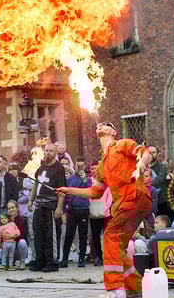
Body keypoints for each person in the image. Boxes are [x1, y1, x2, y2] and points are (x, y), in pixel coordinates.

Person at [57, 122, 153, 298]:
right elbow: (95, 192)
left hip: (134, 196)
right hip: (128, 203)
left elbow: (144, 152)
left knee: (110, 236)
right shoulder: (102, 165)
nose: (101, 126)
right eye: (99, 125)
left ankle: (116, 289)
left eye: (106, 125)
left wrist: (141, 165)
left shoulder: (122, 144)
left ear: (113, 132)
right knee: (118, 247)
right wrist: (69, 190)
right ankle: (137, 288)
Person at [30, 142, 66, 273]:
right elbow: (36, 184)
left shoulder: (59, 168)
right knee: (38, 233)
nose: (48, 153)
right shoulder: (41, 167)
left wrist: (59, 208)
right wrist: (31, 201)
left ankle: (52, 262)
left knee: (51, 235)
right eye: (46, 150)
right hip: (39, 205)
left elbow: (62, 190)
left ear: (55, 153)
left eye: (51, 151)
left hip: (51, 206)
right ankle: (40, 261)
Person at [63, 158, 91, 268]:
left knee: (83, 235)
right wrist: (64, 210)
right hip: (72, 209)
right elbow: (66, 195)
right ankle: (65, 258)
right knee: (69, 235)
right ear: (74, 166)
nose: (79, 168)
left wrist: (84, 179)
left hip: (83, 209)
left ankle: (81, 259)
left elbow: (89, 191)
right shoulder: (70, 179)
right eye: (77, 165)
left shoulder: (87, 179)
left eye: (81, 166)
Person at [148, 146, 172, 221]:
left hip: (160, 202)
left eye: (153, 152)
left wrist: (144, 184)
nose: (151, 154)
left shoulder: (162, 167)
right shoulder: (142, 166)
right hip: (147, 201)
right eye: (149, 152)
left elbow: (159, 180)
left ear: (157, 154)